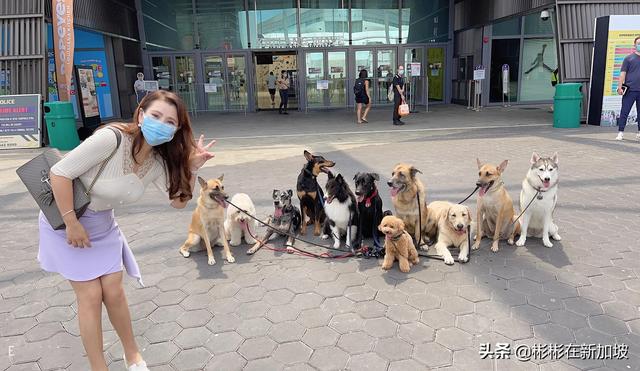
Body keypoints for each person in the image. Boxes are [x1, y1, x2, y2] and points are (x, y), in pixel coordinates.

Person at [39, 90, 215, 371]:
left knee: (114, 292)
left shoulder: (157, 161)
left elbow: (178, 203)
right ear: (141, 114)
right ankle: (100, 367)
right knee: (91, 296)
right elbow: (59, 173)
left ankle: (132, 354)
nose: (162, 124)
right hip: (66, 219)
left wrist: (191, 168)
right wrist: (71, 223)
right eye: (156, 116)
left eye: (170, 122)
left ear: (177, 130)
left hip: (103, 224)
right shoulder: (112, 139)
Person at [616, 35, 640, 141]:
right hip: (630, 90)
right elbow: (622, 74)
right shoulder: (628, 58)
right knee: (624, 111)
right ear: (634, 45)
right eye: (638, 43)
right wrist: (619, 87)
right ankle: (620, 132)